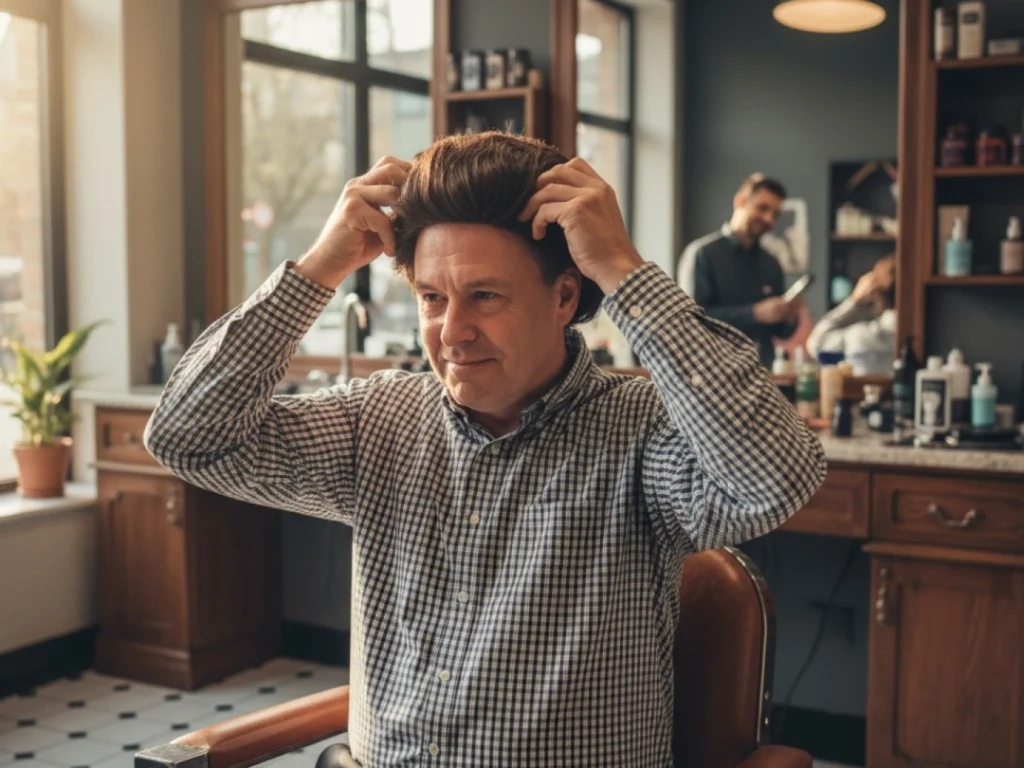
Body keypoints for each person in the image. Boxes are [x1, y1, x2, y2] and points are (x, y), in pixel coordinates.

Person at [145, 132, 826, 768]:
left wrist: (623, 272)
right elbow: (187, 438)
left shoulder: (641, 433)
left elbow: (773, 479)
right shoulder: (378, 419)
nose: (451, 332)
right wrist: (319, 268)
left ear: (565, 296)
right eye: (432, 297)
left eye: (485, 296)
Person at [677, 173, 801, 367]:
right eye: (762, 208)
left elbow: (779, 332)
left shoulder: (771, 263)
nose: (768, 218)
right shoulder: (702, 254)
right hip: (711, 372)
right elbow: (691, 320)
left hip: (760, 372)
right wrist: (754, 313)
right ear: (740, 201)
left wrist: (789, 316)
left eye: (775, 214)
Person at [806, 255, 896, 375]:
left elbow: (816, 344)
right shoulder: (920, 331)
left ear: (874, 291)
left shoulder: (862, 336)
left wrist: (854, 301)